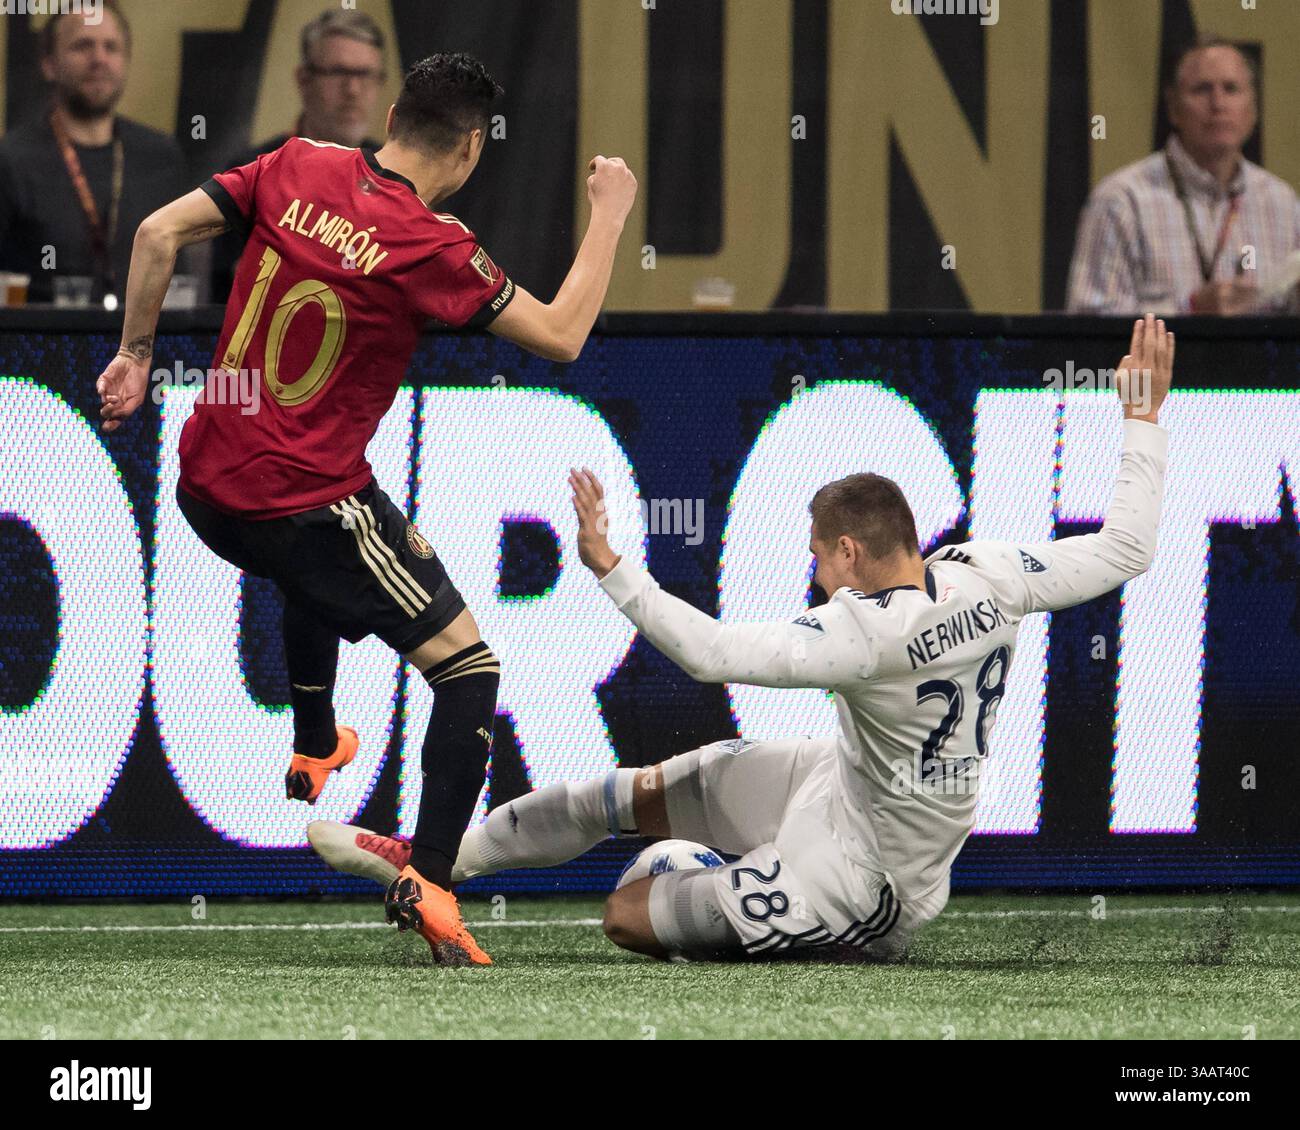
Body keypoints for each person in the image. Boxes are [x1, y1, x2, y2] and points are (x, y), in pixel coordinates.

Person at [311, 316, 1174, 963]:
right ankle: (433, 864)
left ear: (849, 550)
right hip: (839, 783)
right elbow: (1126, 547)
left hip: (869, 880)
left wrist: (615, 570)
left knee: (629, 914)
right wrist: (1142, 419)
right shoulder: (989, 569)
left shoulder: (865, 634)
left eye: (818, 560)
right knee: (628, 792)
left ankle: (711, 875)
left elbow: (710, 655)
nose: (816, 578)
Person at [93, 53, 638, 967]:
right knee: (468, 668)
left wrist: (137, 356)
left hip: (202, 484)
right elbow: (563, 334)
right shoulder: (435, 244)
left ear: (388, 114)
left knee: (318, 564)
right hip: (297, 501)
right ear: (470, 149)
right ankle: (430, 876)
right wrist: (611, 212)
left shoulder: (296, 162)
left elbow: (153, 233)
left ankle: (314, 742)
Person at [1067, 36, 1299, 316]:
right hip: (1161, 361)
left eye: (1231, 88)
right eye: (1202, 89)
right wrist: (1189, 309)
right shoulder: (1123, 199)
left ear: (1253, 109)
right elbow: (1089, 320)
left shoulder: (1282, 203)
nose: (1218, 103)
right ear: (1174, 108)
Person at [0, 1, 188, 304]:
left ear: (126, 61)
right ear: (49, 63)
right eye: (82, 45)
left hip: (144, 345)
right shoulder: (10, 160)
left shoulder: (162, 157)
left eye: (111, 47)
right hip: (39, 346)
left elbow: (182, 283)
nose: (99, 58)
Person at [208, 9, 390, 302]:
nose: (353, 90)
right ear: (303, 80)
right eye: (339, 72)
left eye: (365, 74)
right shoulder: (251, 170)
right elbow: (223, 289)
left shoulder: (396, 175)